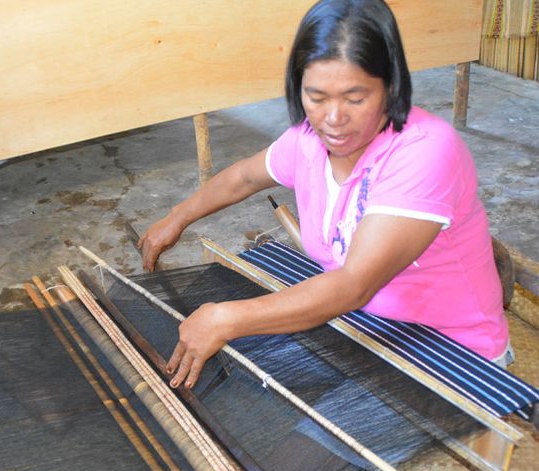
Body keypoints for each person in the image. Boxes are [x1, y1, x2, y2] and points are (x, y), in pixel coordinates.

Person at [138, 0, 510, 390]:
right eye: (316, 97)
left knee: (277, 439)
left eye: (355, 98)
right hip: (365, 325)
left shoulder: (425, 151)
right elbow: (245, 178)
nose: (333, 119)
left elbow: (353, 285)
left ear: (391, 87)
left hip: (453, 354)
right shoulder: (307, 141)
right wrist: (177, 217)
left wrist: (225, 319)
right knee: (237, 389)